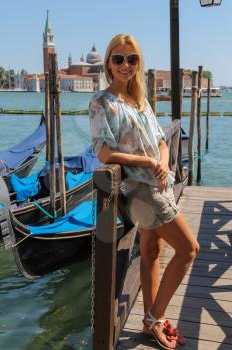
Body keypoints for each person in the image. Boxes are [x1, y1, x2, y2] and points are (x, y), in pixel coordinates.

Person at [89, 34, 200, 350]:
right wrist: (148, 161)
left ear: (138, 64)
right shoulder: (101, 102)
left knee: (152, 252)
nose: (126, 65)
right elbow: (104, 153)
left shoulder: (140, 100)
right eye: (119, 59)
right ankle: (155, 318)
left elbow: (163, 140)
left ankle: (151, 318)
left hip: (160, 184)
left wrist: (162, 162)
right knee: (189, 249)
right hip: (140, 190)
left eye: (132, 59)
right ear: (109, 63)